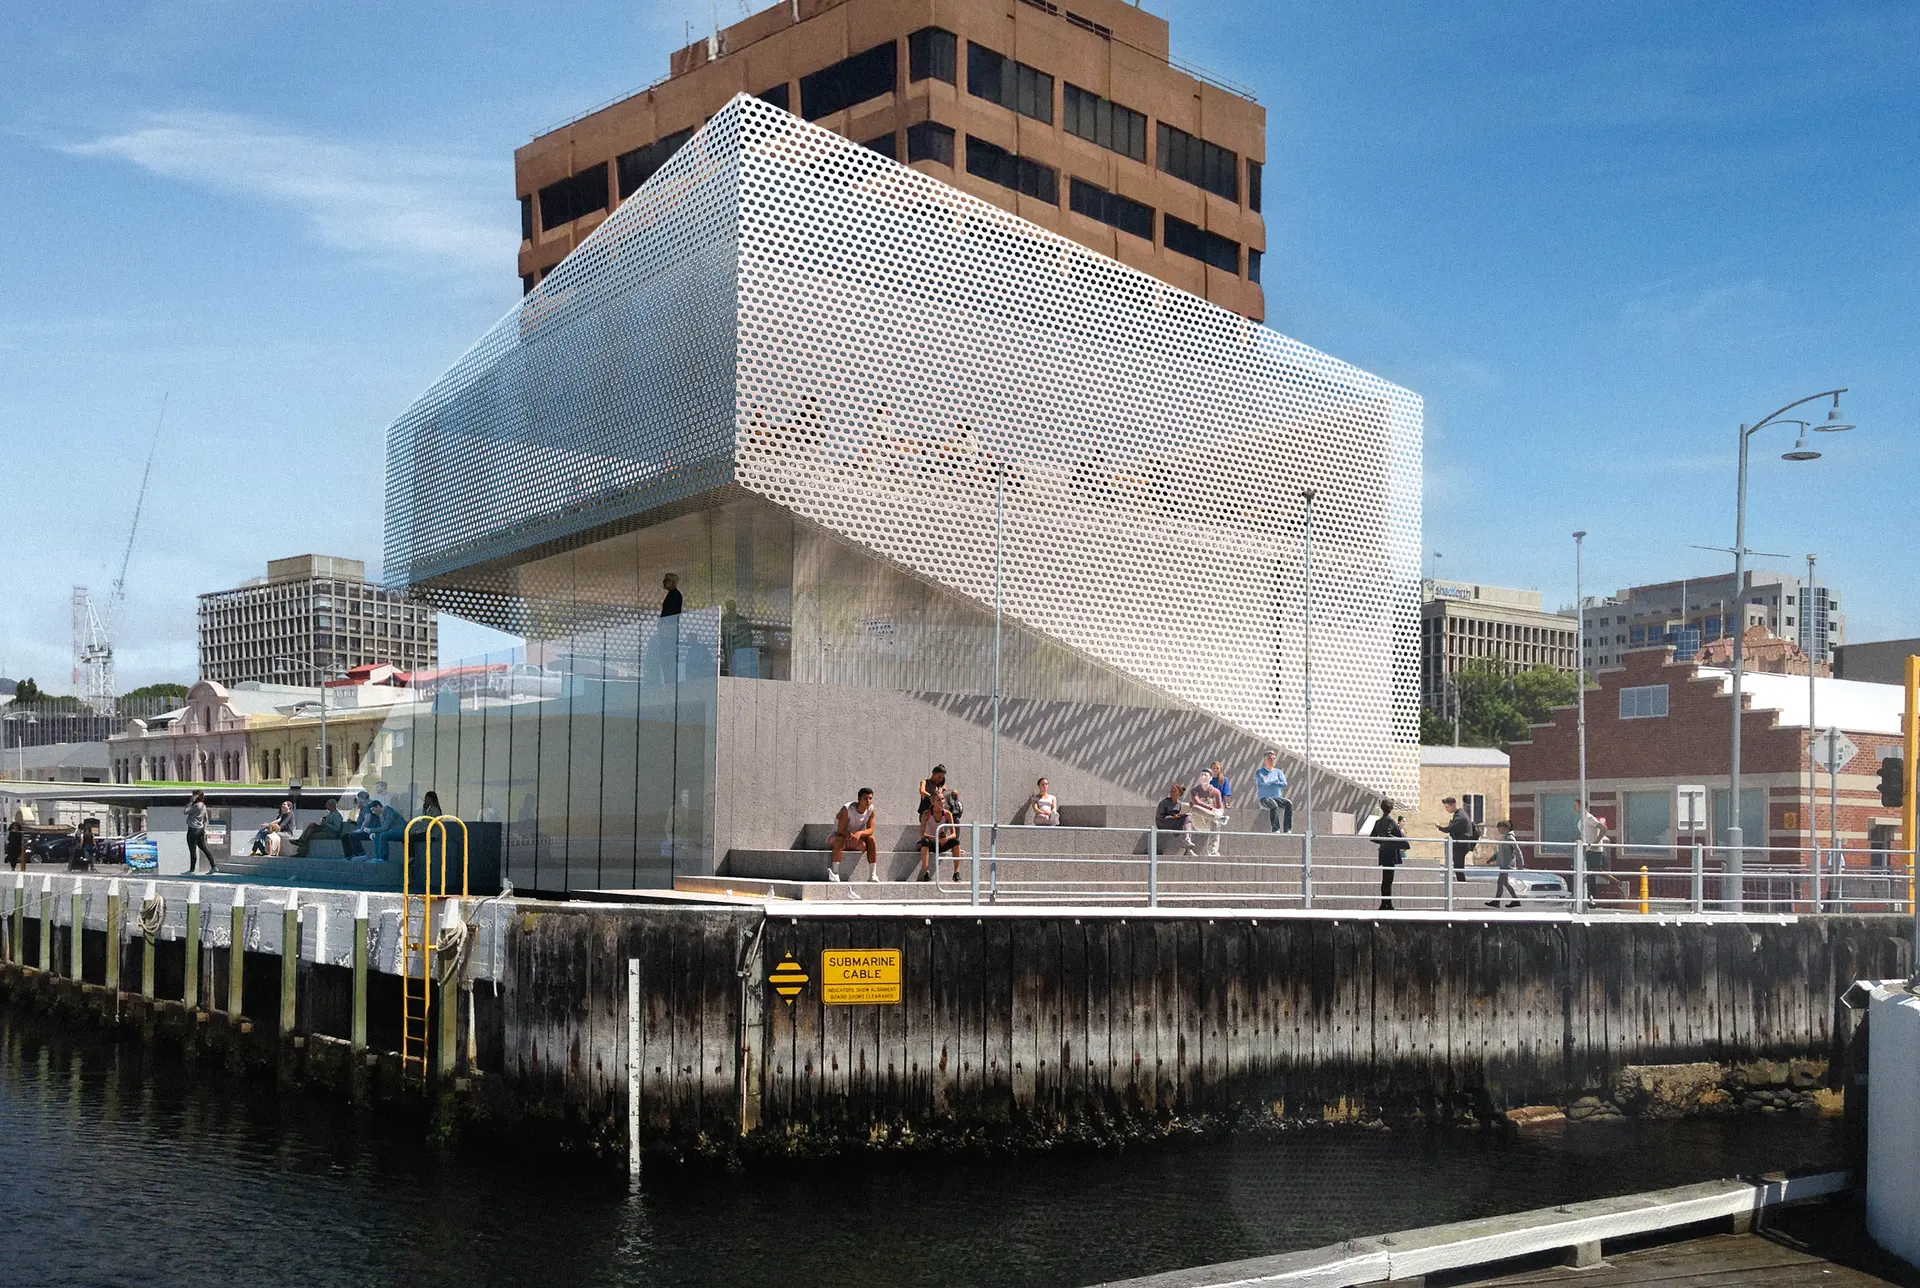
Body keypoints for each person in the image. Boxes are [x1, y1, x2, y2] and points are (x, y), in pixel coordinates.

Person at [828, 789, 879, 882]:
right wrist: (851, 835)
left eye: (870, 798)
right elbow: (840, 830)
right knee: (839, 839)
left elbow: (871, 830)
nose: (868, 801)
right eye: (865, 798)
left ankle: (873, 875)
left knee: (871, 839)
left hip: (854, 839)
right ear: (859, 799)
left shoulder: (871, 809)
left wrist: (859, 833)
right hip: (838, 838)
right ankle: (835, 873)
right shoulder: (847, 809)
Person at [1368, 797, 1409, 910]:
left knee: (1386, 879)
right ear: (1391, 809)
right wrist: (1397, 842)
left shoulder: (1378, 822)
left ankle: (1385, 903)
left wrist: (1382, 841)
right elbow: (1393, 836)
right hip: (1390, 852)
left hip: (1383, 852)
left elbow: (1372, 837)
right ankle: (1388, 904)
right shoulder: (1390, 821)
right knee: (1389, 879)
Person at [917, 790, 961, 882]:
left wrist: (946, 838)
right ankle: (926, 872)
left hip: (941, 843)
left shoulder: (947, 814)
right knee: (925, 841)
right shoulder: (926, 814)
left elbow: (954, 834)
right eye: (939, 800)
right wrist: (934, 838)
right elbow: (922, 835)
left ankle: (956, 873)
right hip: (930, 843)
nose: (942, 802)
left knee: (956, 841)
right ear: (933, 802)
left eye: (943, 799)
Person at [1437, 796, 1476, 882]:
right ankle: (1462, 885)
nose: (1446, 809)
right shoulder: (1460, 814)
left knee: (1458, 868)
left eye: (1447, 807)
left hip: (1461, 846)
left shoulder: (1459, 816)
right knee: (1458, 868)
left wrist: (1439, 827)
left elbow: (1449, 829)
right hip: (1462, 845)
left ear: (1453, 805)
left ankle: (1462, 887)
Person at [1577, 800, 1609, 901]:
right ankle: (1590, 897)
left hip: (1594, 849)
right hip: (1587, 848)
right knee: (1589, 873)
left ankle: (1619, 884)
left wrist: (1596, 842)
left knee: (1596, 871)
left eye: (1576, 805)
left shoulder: (1589, 818)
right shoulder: (1582, 819)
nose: (1575, 808)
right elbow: (1586, 832)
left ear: (1582, 806)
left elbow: (1603, 828)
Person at [1252, 751, 1292, 834]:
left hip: (1277, 797)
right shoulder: (1259, 772)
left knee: (1288, 803)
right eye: (1269, 759)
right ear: (1265, 760)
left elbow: (1284, 784)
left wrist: (1272, 781)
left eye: (1273, 759)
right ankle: (1275, 829)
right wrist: (1276, 782)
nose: (1272, 761)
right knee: (1274, 805)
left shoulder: (1279, 772)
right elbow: (1264, 781)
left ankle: (1287, 829)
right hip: (1264, 799)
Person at [1188, 772, 1226, 856]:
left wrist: (1219, 811)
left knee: (1215, 823)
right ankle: (1220, 818)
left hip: (1209, 821)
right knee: (1195, 808)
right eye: (1201, 775)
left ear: (1211, 778)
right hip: (1198, 821)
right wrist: (1211, 808)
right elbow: (1196, 802)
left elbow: (1220, 807)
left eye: (1205, 775)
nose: (1203, 777)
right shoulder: (1194, 791)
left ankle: (1212, 850)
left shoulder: (1216, 792)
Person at [1486, 820, 1523, 908]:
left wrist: (1521, 864)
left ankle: (1497, 901)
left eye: (1500, 828)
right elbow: (1500, 851)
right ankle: (1515, 900)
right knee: (1505, 883)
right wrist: (1492, 858)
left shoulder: (1510, 838)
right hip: (1503, 863)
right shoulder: (1503, 838)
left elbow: (1518, 851)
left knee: (1500, 882)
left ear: (1506, 828)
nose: (1498, 830)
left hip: (1507, 864)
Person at [1155, 781, 1194, 855]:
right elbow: (1159, 816)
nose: (1172, 792)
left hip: (1173, 822)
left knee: (1188, 817)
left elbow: (1176, 815)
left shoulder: (1178, 803)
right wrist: (1172, 817)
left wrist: (1180, 815)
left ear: (1179, 793)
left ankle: (1187, 840)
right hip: (1163, 823)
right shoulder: (1164, 802)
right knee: (1186, 819)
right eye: (1171, 790)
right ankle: (1187, 843)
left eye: (1174, 791)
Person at [185, 789, 216, 875]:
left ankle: (192, 870)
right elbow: (206, 819)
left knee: (192, 850)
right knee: (204, 849)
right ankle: (213, 866)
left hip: (193, 830)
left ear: (196, 796)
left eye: (193, 795)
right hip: (200, 830)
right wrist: (204, 828)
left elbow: (185, 811)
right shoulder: (203, 806)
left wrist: (191, 801)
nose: (192, 796)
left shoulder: (196, 806)